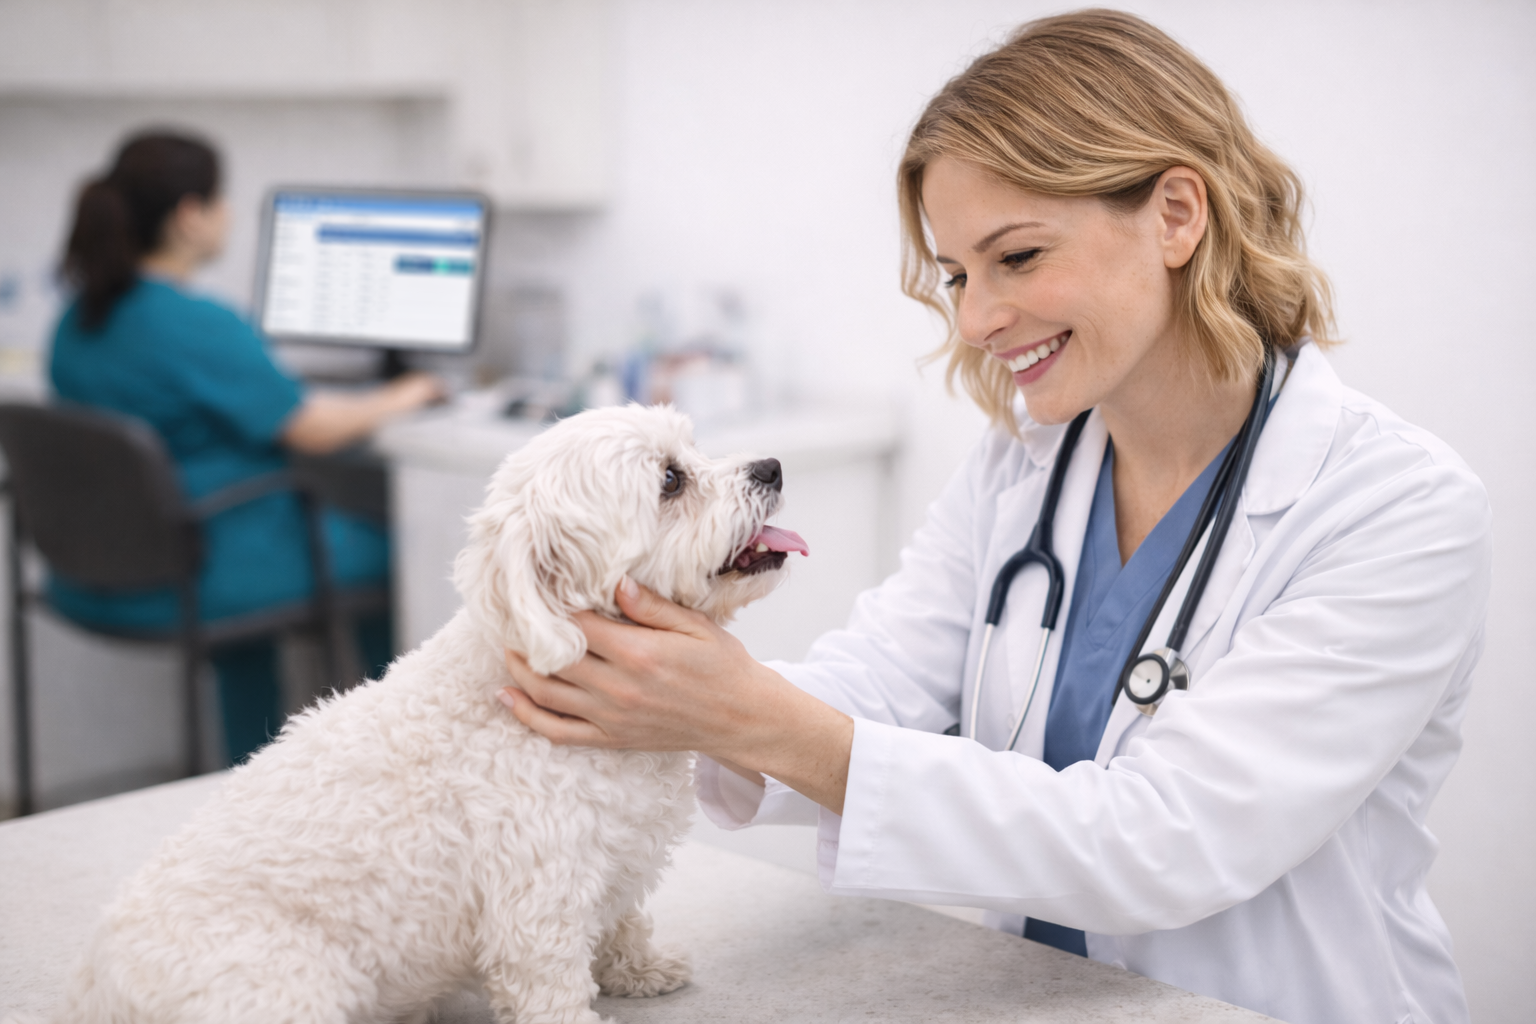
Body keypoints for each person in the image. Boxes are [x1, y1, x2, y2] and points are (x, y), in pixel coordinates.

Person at [496, 12, 1488, 1024]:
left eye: (1016, 257)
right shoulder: (1029, 462)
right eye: (961, 275)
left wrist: (744, 712)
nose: (974, 320)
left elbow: (1169, 840)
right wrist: (648, 688)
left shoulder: (1395, 509)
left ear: (1177, 215)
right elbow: (880, 681)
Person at [49, 131, 444, 764]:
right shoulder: (193, 322)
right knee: (403, 556)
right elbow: (310, 427)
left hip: (99, 568)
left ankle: (252, 772)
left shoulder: (80, 317)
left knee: (268, 578)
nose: (229, 214)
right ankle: (413, 762)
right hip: (201, 562)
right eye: (221, 199)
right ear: (189, 215)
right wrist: (406, 395)